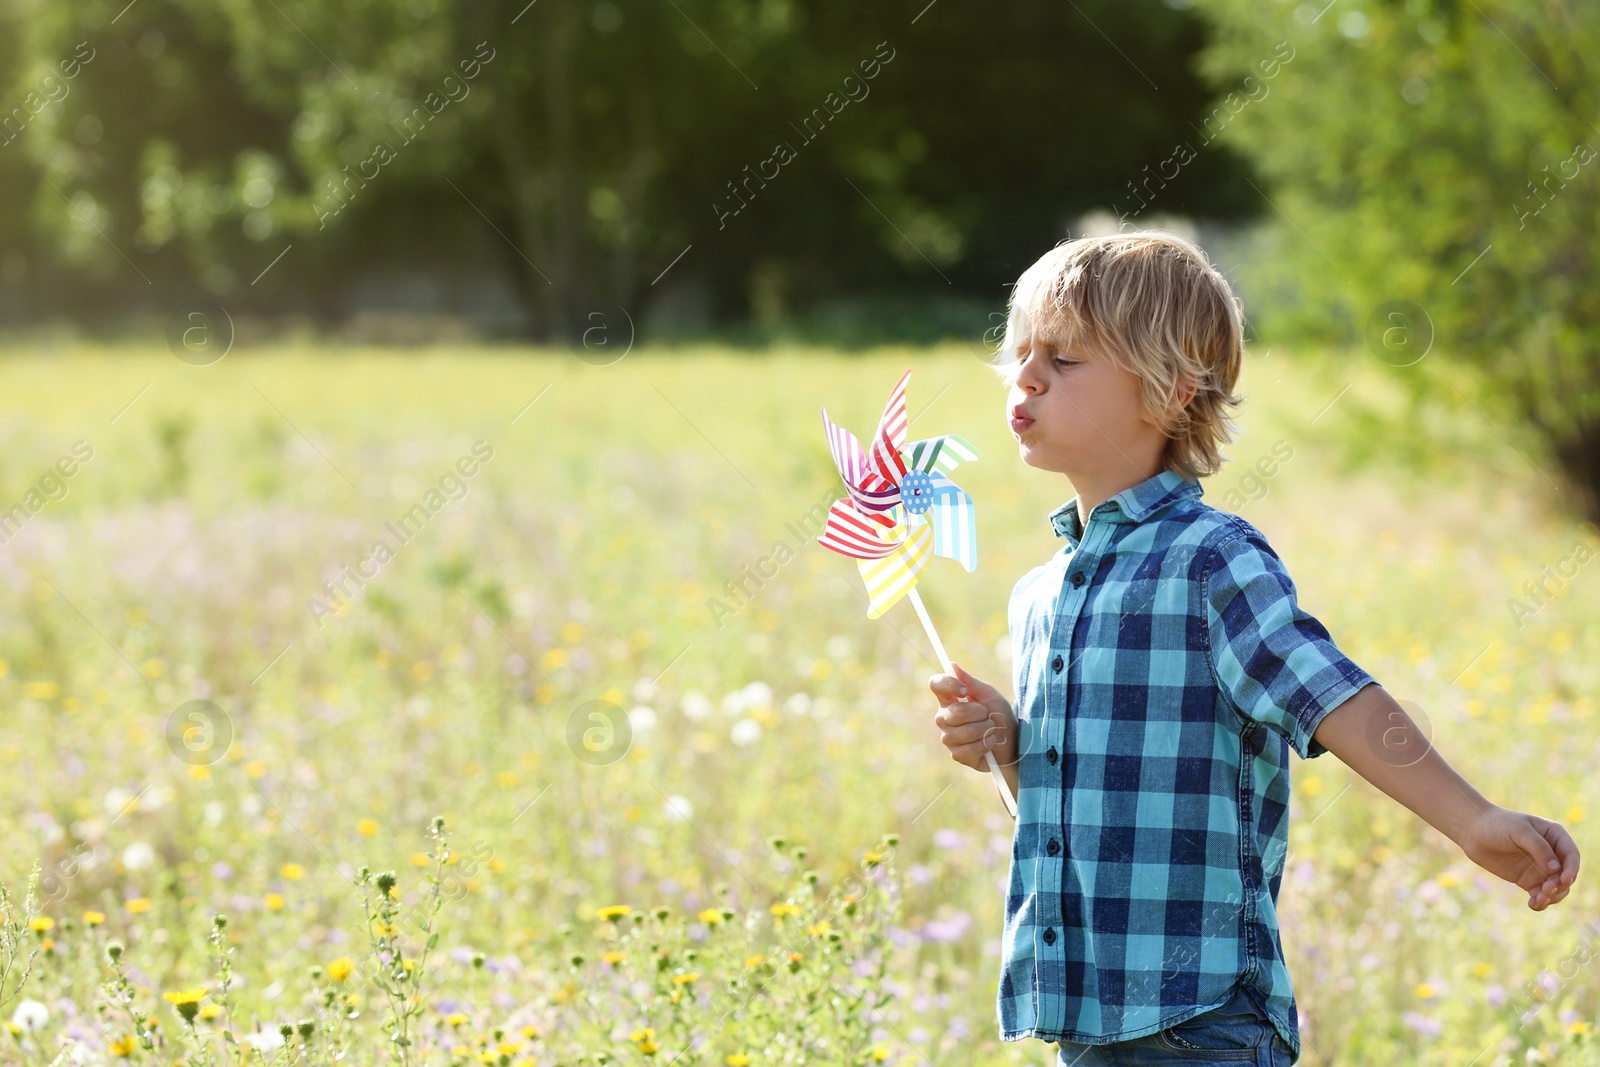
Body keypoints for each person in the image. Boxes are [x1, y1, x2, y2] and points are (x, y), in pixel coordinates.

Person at [927, 232, 1580, 1065]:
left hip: (1197, 1022)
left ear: (1170, 390)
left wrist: (1474, 819)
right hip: (1084, 1013)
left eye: (1063, 357)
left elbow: (1334, 696)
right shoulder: (1040, 593)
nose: (1024, 375)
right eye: (1020, 353)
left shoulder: (1211, 560)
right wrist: (1010, 748)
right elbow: (1067, 815)